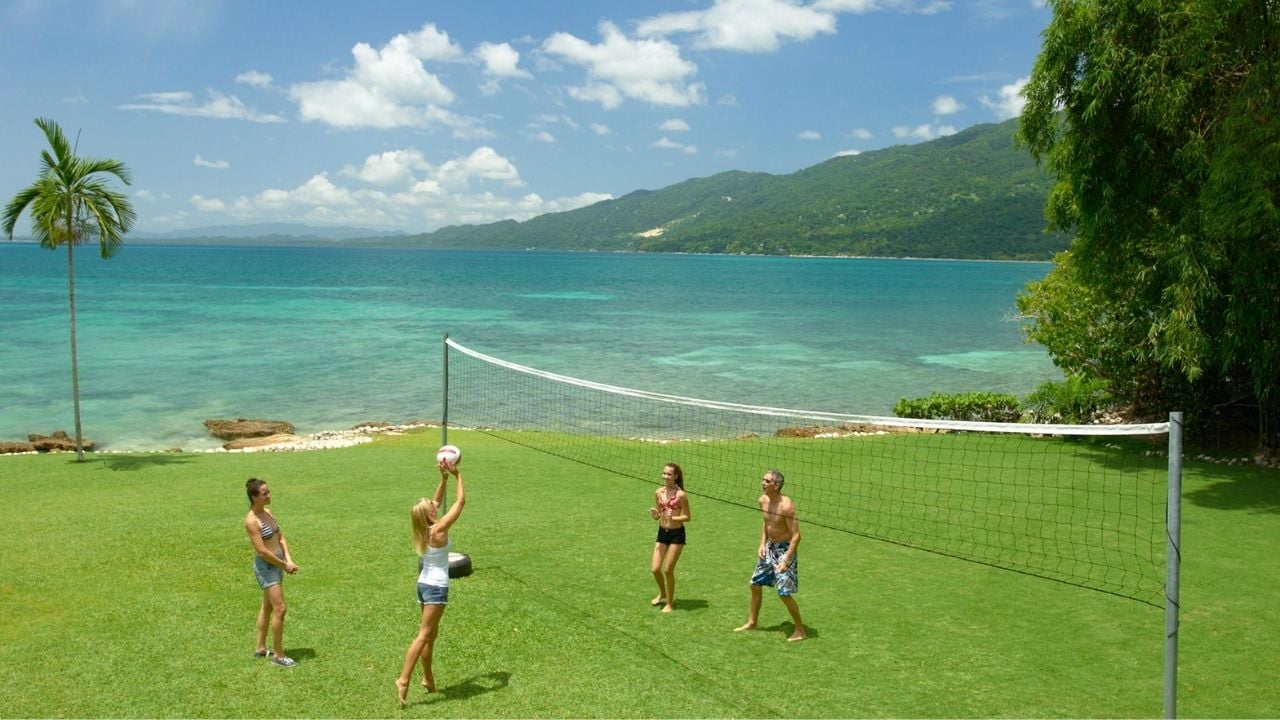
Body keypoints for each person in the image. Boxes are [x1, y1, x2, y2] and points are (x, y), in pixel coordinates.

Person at [396, 455, 466, 706]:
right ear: (430, 514)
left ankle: (427, 678)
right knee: (424, 635)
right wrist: (458, 476)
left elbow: (435, 501)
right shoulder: (438, 530)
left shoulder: (423, 527)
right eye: (432, 506)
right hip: (436, 587)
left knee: (431, 635)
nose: (436, 505)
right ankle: (403, 679)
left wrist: (443, 479)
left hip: (423, 585)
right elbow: (460, 503)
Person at [734, 468, 804, 641]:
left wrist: (786, 560)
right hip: (770, 547)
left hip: (785, 550)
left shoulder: (786, 506)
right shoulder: (763, 500)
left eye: (767, 481)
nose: (763, 483)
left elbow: (797, 536)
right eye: (763, 480)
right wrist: (762, 543)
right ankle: (752, 622)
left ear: (777, 485)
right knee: (754, 584)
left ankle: (800, 630)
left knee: (783, 592)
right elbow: (766, 524)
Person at [244, 478, 300, 666]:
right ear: (254, 497)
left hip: (278, 562)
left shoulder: (268, 513)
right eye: (264, 493)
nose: (269, 496)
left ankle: (260, 648)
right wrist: (284, 565)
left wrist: (288, 559)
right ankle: (278, 655)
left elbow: (280, 537)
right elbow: (262, 551)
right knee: (280, 609)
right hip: (266, 567)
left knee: (268, 607)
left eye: (268, 492)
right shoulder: (251, 521)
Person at [648, 462, 691, 613]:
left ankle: (669, 604)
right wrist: (656, 515)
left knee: (668, 570)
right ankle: (663, 593)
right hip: (662, 532)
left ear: (676, 476)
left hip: (676, 535)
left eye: (669, 474)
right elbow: (659, 514)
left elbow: (687, 517)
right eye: (664, 473)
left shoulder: (681, 495)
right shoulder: (658, 492)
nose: (665, 476)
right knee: (655, 569)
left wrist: (674, 518)